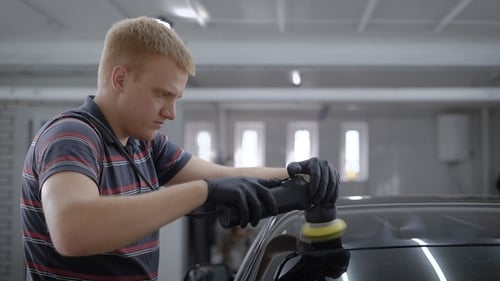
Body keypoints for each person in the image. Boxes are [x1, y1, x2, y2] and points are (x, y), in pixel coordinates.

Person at [20, 16, 340, 281]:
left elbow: (225, 176)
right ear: (120, 79)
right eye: (162, 94)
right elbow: (74, 232)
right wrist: (204, 192)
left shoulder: (144, 144)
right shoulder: (71, 135)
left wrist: (297, 173)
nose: (170, 112)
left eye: (176, 99)